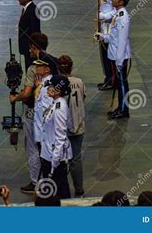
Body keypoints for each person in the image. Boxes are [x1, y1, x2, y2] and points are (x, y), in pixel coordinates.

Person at [8, 32, 57, 193]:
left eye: (30, 47)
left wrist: (15, 98)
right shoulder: (52, 65)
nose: (29, 50)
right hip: (50, 111)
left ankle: (35, 181)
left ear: (35, 47)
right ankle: (49, 177)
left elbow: (27, 93)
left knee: (32, 147)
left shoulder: (33, 69)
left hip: (33, 112)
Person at [96, 0, 133, 120]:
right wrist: (102, 36)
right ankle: (120, 107)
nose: (112, 0)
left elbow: (122, 40)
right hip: (115, 53)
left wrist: (119, 60)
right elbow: (113, 36)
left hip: (120, 55)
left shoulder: (123, 17)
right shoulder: (117, 14)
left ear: (121, 2)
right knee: (119, 83)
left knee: (122, 83)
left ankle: (124, 110)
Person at [40, 75, 72, 199]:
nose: (48, 89)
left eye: (50, 87)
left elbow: (60, 136)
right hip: (48, 153)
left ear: (57, 90)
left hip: (55, 157)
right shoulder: (55, 103)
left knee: (59, 191)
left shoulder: (60, 108)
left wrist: (54, 163)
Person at [58, 55, 86, 198]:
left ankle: (63, 190)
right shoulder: (79, 82)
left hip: (63, 127)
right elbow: (83, 96)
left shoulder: (57, 84)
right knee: (76, 158)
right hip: (78, 125)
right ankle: (79, 189)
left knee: (61, 159)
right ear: (71, 67)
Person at [97, 0, 116, 91]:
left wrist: (103, 16)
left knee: (108, 55)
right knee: (103, 54)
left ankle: (112, 81)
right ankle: (107, 77)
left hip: (108, 27)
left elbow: (115, 10)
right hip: (103, 26)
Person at [17, 0, 40, 71]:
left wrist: (33, 47)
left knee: (31, 68)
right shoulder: (27, 9)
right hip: (27, 47)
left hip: (30, 47)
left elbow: (35, 30)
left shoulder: (33, 10)